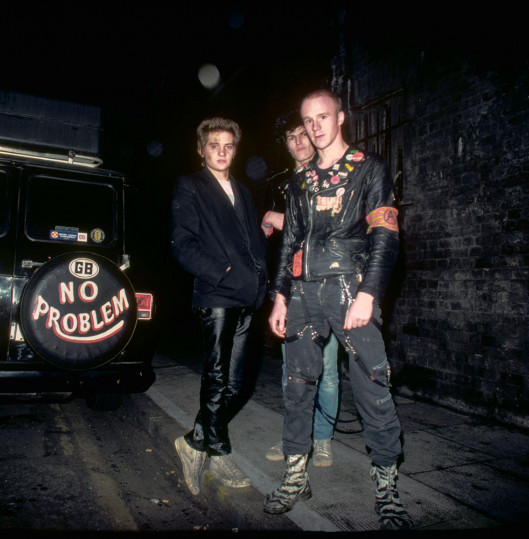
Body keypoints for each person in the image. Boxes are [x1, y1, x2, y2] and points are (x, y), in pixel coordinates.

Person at [263, 89, 412, 530]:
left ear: (340, 117)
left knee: (372, 384)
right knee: (297, 385)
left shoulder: (370, 168)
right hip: (304, 296)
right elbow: (290, 242)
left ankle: (387, 488)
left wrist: (370, 292)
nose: (315, 127)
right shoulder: (299, 181)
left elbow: (385, 232)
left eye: (323, 117)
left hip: (350, 290)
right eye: (308, 121)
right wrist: (280, 296)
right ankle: (295, 477)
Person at [170, 117, 268, 496]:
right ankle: (218, 449)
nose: (222, 151)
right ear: (201, 149)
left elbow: (251, 240)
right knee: (216, 379)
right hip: (216, 295)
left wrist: (262, 280)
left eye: (229, 145)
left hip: (247, 295)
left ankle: (196, 441)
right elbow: (182, 244)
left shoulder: (242, 190)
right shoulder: (190, 186)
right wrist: (222, 273)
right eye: (215, 145)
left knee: (239, 382)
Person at [261, 111, 340, 468]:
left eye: (303, 133)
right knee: (291, 369)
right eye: (290, 137)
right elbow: (267, 238)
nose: (298, 142)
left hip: (328, 283)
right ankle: (295, 439)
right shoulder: (279, 183)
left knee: (326, 366)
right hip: (291, 286)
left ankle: (321, 441)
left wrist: (279, 219)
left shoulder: (336, 175)